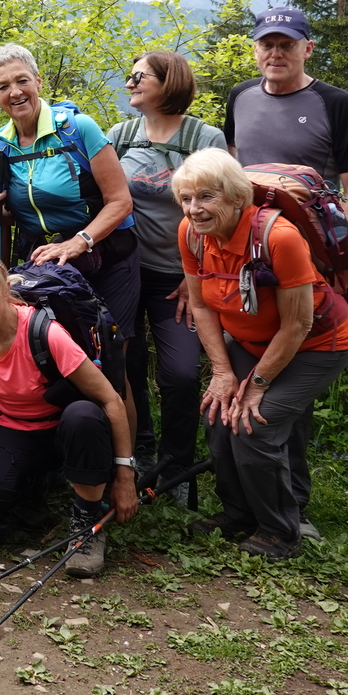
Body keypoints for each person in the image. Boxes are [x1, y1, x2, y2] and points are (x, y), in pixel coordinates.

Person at [175, 148, 348, 562]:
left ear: (237, 196)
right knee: (219, 415)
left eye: (206, 197)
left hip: (318, 344)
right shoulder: (191, 233)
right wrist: (222, 372)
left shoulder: (278, 236)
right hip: (252, 344)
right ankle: (240, 513)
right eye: (186, 198)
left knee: (254, 424)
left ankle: (280, 530)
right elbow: (200, 304)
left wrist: (257, 384)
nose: (194, 209)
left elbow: (298, 324)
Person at [0, 249, 139, 578]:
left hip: (67, 428)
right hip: (16, 427)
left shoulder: (46, 333)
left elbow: (111, 400)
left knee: (83, 415)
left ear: (6, 289)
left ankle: (87, 522)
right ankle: (36, 485)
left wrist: (125, 476)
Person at [0, 45, 138, 411]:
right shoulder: (0, 145)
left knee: (111, 355)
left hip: (107, 255)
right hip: (50, 265)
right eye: (3, 86)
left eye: (22, 80)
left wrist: (79, 241)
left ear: (38, 81)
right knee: (62, 357)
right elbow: (14, 213)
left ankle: (130, 442)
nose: (15, 92)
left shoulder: (78, 129)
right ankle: (76, 436)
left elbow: (120, 201)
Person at [106, 51, 225, 488]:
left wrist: (198, 278)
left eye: (139, 77)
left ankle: (176, 468)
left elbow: (224, 213)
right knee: (127, 365)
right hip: (125, 273)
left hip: (180, 279)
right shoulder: (121, 136)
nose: (130, 83)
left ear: (169, 82)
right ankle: (138, 453)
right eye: (129, 75)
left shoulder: (204, 138)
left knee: (180, 373)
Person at [225, 7, 348, 232]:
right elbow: (231, 157)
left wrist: (341, 242)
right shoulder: (240, 95)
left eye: (287, 45)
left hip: (311, 236)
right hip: (245, 232)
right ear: (255, 50)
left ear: (308, 49)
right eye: (267, 45)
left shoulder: (336, 102)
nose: (276, 54)